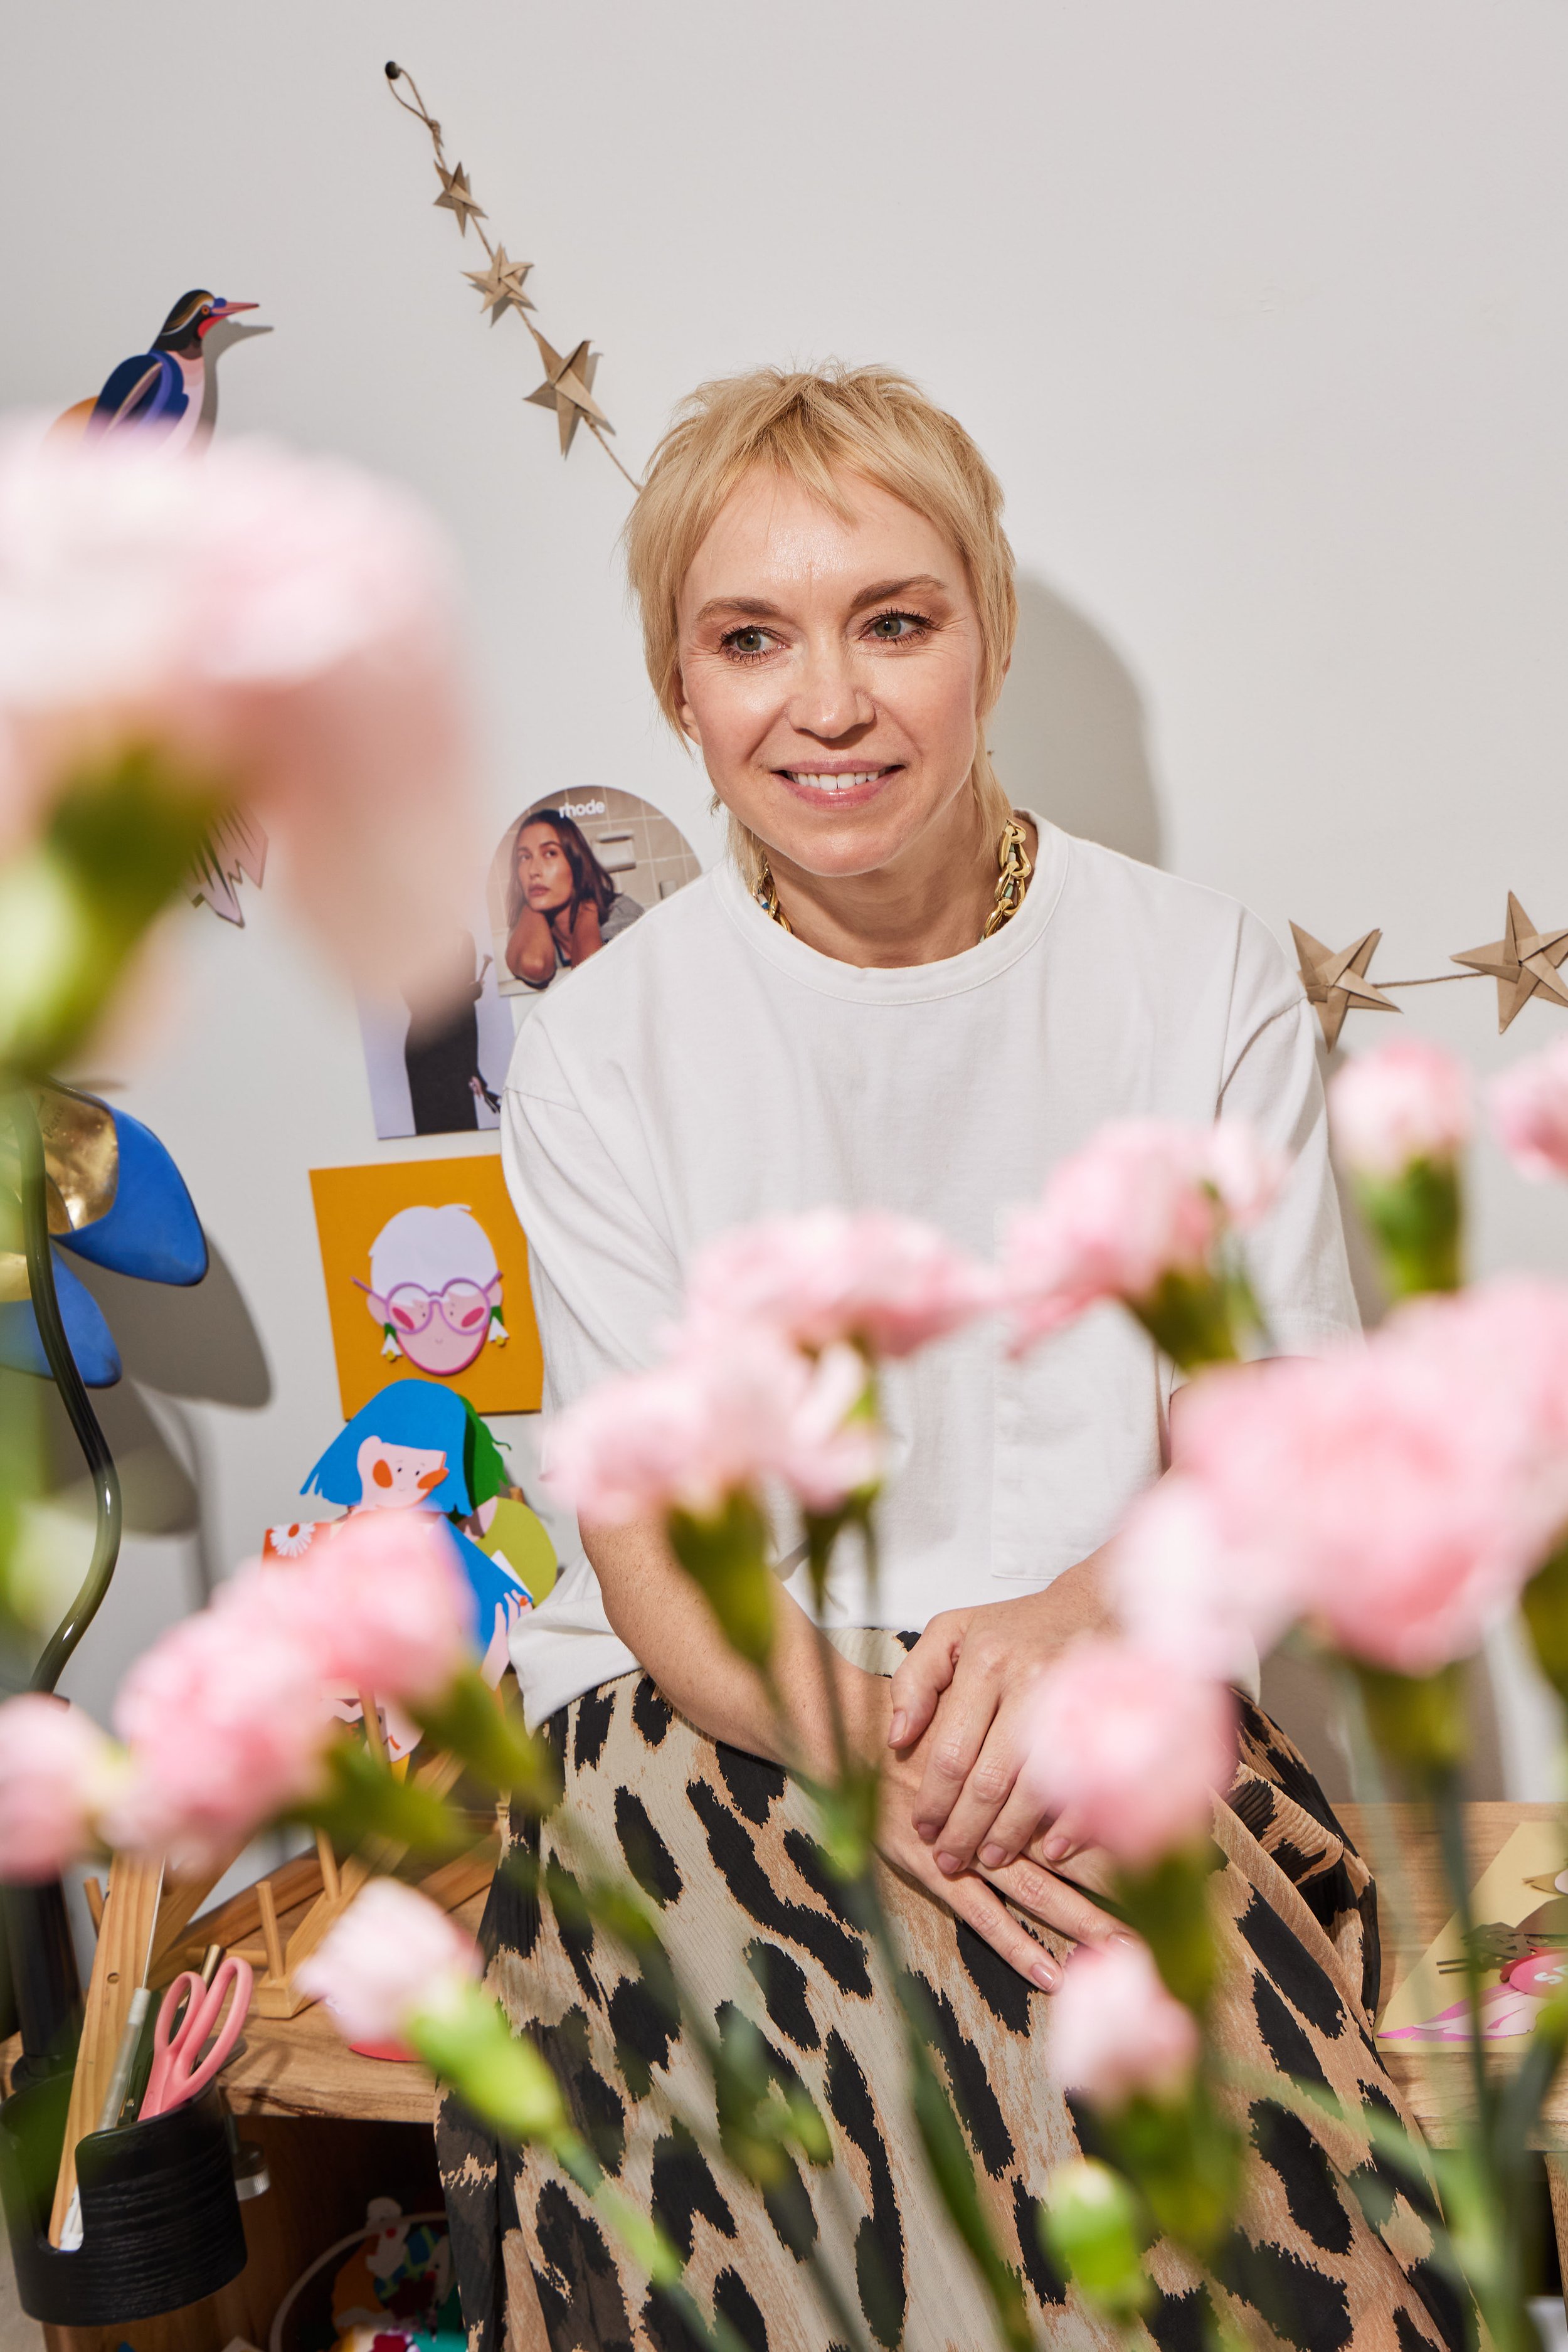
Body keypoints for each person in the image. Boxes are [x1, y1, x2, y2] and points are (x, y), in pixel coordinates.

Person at [438, 368, 1464, 2352]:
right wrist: (857, 1755)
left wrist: (1084, 1605)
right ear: (678, 685)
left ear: (981, 633)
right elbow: (644, 1537)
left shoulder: (1193, 972)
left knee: (1181, 2173)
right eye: (750, 638)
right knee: (807, 2153)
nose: (827, 704)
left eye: (891, 621)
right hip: (718, 1700)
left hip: (1114, 1674)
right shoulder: (601, 1042)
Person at [504, 808, 644, 990]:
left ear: (576, 862)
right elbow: (535, 965)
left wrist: (586, 909)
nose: (533, 871)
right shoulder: (528, 928)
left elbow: (593, 984)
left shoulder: (622, 913)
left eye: (550, 853)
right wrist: (531, 904)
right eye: (524, 857)